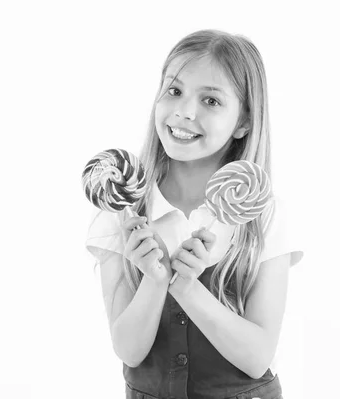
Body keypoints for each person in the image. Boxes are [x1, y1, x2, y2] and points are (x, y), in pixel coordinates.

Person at [85, 29, 304, 399]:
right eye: (174, 91)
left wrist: (188, 288)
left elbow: (256, 358)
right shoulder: (120, 212)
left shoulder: (264, 215)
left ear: (244, 122)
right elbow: (128, 350)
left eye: (211, 100)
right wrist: (154, 282)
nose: (185, 111)